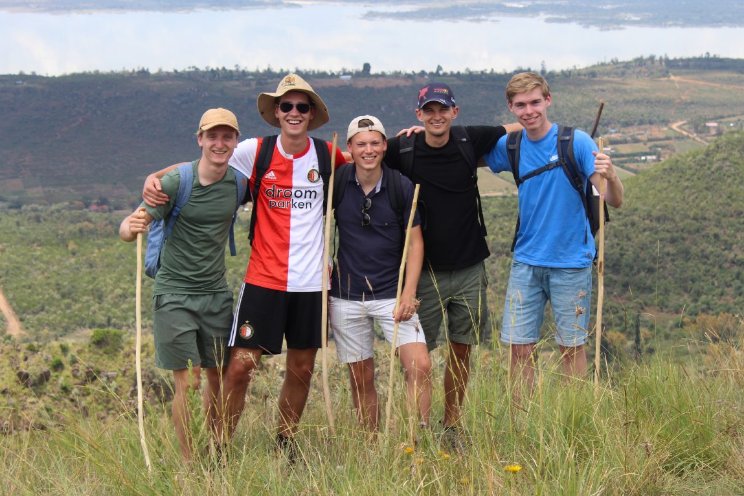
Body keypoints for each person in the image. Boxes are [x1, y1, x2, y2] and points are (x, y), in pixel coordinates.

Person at [142, 74, 347, 461]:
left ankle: (285, 443)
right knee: (239, 367)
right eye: (286, 106)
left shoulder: (327, 155)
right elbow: (200, 163)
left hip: (311, 283)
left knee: (301, 368)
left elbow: (367, 161)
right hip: (264, 280)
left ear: (311, 114)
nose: (293, 113)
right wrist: (155, 180)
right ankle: (220, 449)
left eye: (302, 107)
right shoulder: (255, 150)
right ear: (275, 113)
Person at [384, 83, 521, 451]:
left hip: (468, 267)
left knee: (462, 351)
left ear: (454, 112)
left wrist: (552, 128)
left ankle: (452, 425)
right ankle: (420, 430)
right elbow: (367, 152)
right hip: (422, 273)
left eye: (442, 109)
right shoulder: (403, 149)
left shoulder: (468, 139)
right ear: (418, 115)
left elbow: (515, 126)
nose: (436, 116)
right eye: (428, 111)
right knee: (419, 359)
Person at [484, 72, 624, 396]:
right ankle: (524, 428)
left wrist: (613, 176)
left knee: (571, 349)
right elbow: (470, 155)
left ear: (548, 100)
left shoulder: (575, 143)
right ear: (511, 107)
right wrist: (426, 137)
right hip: (526, 263)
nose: (529, 110)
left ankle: (573, 421)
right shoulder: (512, 145)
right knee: (519, 348)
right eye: (521, 105)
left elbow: (614, 201)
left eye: (535, 102)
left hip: (571, 262)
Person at [119, 108, 243, 462]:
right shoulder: (176, 182)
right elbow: (130, 227)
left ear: (235, 141)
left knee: (217, 378)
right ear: (200, 139)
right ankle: (190, 462)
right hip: (174, 295)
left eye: (227, 137)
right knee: (185, 384)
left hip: (216, 295)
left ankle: (217, 452)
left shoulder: (237, 183)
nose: (220, 143)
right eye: (212, 136)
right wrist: (129, 228)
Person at [330, 115, 431, 431]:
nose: (368, 150)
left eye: (375, 142)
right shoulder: (338, 183)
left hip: (392, 294)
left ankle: (419, 439)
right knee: (360, 377)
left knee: (420, 366)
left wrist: (409, 292)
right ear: (350, 148)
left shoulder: (401, 186)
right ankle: (369, 445)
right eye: (361, 144)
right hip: (347, 295)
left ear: (385, 146)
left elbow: (415, 244)